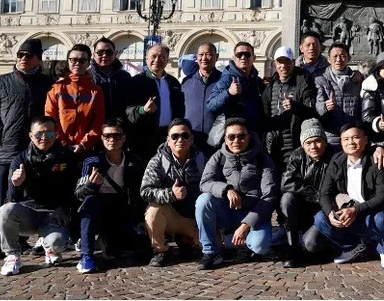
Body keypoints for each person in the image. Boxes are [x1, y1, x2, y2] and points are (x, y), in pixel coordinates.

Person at [0, 38, 54, 259]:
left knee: (27, 198)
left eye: (28, 55)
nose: (22, 59)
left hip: (34, 152)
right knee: (0, 198)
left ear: (38, 59)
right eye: (20, 55)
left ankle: (18, 241)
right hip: (7, 150)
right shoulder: (2, 82)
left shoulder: (46, 84)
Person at [0, 116, 78, 276]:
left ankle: (51, 249)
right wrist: (16, 183)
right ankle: (12, 254)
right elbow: (11, 198)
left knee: (57, 243)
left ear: (56, 135)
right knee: (5, 211)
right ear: (31, 136)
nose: (44, 138)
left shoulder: (67, 157)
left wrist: (64, 209)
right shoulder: (20, 160)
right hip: (28, 214)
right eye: (39, 134)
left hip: (53, 214)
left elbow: (73, 190)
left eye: (49, 134)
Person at [195, 117, 277, 270]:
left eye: (241, 136)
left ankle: (245, 242)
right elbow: (205, 183)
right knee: (203, 200)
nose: (236, 141)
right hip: (228, 212)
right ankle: (210, 251)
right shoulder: (218, 157)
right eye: (231, 137)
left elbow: (269, 197)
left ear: (249, 137)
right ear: (225, 139)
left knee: (260, 247)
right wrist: (226, 189)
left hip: (255, 214)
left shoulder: (263, 159)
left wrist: (246, 225)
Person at [315, 122, 384, 269]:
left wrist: (355, 210)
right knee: (320, 219)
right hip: (349, 213)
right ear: (341, 142)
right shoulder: (337, 161)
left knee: (382, 219)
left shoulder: (376, 159)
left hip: (370, 212)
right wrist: (330, 213)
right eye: (346, 139)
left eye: (355, 137)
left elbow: (382, 196)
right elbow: (324, 194)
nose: (351, 142)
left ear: (365, 140)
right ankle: (353, 247)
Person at [73, 119, 146, 273]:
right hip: (98, 207)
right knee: (90, 202)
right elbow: (78, 194)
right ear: (102, 138)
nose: (112, 139)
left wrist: (140, 219)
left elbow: (141, 192)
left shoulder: (134, 160)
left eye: (117, 136)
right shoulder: (91, 161)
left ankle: (106, 241)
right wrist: (91, 185)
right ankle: (86, 255)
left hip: (121, 208)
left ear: (124, 138)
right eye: (107, 136)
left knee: (127, 249)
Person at [140, 119, 205, 267]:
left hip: (193, 217)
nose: (180, 139)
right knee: (153, 211)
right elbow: (145, 191)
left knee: (216, 243)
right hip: (169, 216)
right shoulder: (157, 161)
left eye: (185, 136)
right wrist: (171, 194)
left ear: (191, 139)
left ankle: (185, 239)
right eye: (174, 136)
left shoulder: (202, 160)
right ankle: (159, 250)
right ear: (168, 140)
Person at [280, 119, 337, 267]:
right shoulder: (297, 156)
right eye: (308, 142)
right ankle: (292, 246)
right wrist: (314, 194)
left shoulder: (336, 156)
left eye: (317, 141)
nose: (313, 147)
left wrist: (377, 148)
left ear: (324, 140)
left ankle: (328, 245)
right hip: (303, 207)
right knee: (287, 198)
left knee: (311, 244)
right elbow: (287, 183)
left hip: (326, 210)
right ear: (303, 144)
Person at [124, 44, 186, 158]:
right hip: (143, 140)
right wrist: (143, 110)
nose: (157, 60)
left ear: (167, 60)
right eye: (153, 56)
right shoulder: (136, 82)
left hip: (169, 139)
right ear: (146, 58)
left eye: (162, 57)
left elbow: (180, 109)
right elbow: (127, 111)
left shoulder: (173, 83)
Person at [262, 46, 317, 169]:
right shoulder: (269, 86)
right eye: (280, 62)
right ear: (274, 64)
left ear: (293, 62)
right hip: (272, 143)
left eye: (287, 62)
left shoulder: (304, 83)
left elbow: (312, 112)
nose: (283, 66)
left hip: (294, 141)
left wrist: (295, 107)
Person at [45, 44, 105, 157]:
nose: (77, 63)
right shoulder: (56, 88)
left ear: (88, 63)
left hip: (85, 150)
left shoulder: (95, 91)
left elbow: (98, 122)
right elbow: (50, 119)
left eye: (82, 60)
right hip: (58, 148)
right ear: (68, 61)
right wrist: (62, 143)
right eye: (73, 60)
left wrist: (83, 145)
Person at [206, 41, 265, 142]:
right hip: (233, 138)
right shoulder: (227, 79)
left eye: (247, 54)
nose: (243, 57)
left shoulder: (257, 81)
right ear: (234, 58)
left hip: (253, 137)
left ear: (253, 58)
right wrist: (228, 93)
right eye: (239, 55)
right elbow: (211, 105)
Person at [315, 43, 363, 145]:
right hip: (330, 136)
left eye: (342, 56)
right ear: (328, 59)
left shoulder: (357, 79)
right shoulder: (320, 79)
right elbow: (317, 105)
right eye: (335, 56)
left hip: (352, 136)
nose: (338, 60)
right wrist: (325, 106)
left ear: (348, 58)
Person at [181, 42, 224, 155]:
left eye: (208, 54)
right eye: (201, 55)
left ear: (216, 57)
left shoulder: (224, 81)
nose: (204, 58)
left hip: (217, 143)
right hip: (191, 143)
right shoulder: (186, 82)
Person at [89, 37, 133, 121]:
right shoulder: (86, 76)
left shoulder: (125, 76)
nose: (104, 55)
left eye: (109, 52)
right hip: (93, 127)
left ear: (114, 54)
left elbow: (129, 104)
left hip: (118, 128)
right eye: (100, 52)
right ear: (93, 55)